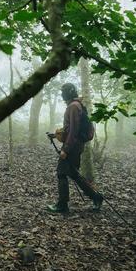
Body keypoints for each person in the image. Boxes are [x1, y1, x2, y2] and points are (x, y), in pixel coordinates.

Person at [46, 83, 103, 214]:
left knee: (61, 172)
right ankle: (96, 197)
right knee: (74, 175)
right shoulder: (76, 105)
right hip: (76, 145)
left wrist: (65, 149)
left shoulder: (73, 107)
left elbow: (73, 131)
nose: (62, 94)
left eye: (64, 91)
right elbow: (69, 129)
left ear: (68, 93)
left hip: (73, 146)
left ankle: (62, 205)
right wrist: (55, 135)